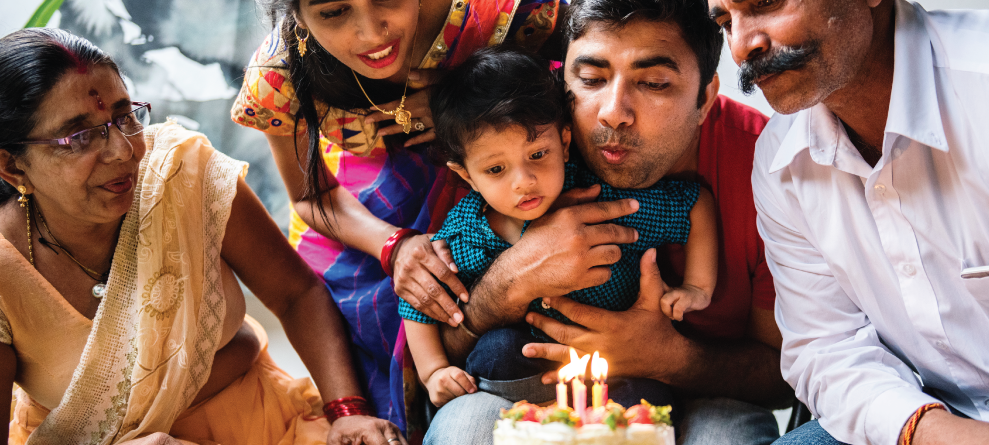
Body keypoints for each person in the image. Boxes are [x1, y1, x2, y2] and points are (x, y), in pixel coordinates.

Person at [407, 0, 796, 443]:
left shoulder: (770, 167)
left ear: (705, 96)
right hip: (527, 382)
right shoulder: (515, 138)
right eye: (590, 79)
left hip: (703, 392)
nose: (613, 111)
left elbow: (786, 377)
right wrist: (512, 280)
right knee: (464, 427)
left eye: (652, 82)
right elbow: (449, 346)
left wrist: (669, 358)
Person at [0, 28, 404, 445]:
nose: (123, 150)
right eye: (80, 136)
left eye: (124, 117)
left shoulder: (179, 173)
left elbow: (296, 295)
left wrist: (346, 411)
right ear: (12, 167)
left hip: (268, 424)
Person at [708, 0, 989, 443]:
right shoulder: (780, 158)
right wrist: (924, 430)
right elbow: (824, 347)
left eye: (766, 3)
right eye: (725, 22)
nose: (740, 46)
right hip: (924, 415)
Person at [230, 0, 568, 435]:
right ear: (296, 16)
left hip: (516, 183)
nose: (372, 34)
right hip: (361, 216)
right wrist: (395, 246)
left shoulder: (504, 12)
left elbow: (586, 85)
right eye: (334, 12)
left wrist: (468, 106)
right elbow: (311, 195)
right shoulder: (279, 77)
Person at [401, 46, 717, 409]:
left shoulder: (601, 201)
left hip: (613, 373)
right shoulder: (468, 230)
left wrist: (698, 285)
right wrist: (434, 371)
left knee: (651, 398)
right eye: (495, 170)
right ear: (465, 175)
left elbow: (695, 204)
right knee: (496, 350)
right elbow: (418, 304)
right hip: (523, 376)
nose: (524, 181)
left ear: (564, 143)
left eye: (537, 155)